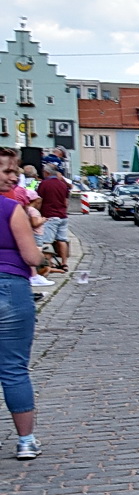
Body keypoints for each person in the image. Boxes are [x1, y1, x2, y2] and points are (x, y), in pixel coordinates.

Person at [0, 148, 44, 459]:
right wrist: (41, 255)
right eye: (7, 171)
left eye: (15, 171)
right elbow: (31, 257)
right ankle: (26, 441)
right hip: (10, 288)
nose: (14, 177)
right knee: (14, 369)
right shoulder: (10, 209)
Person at [33, 165, 71, 277]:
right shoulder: (62, 184)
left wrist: (37, 212)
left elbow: (39, 200)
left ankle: (49, 264)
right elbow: (66, 202)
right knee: (62, 240)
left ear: (46, 173)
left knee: (47, 242)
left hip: (50, 215)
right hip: (62, 215)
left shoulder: (44, 184)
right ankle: (64, 263)